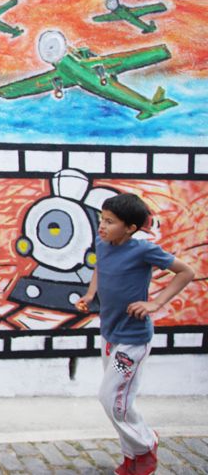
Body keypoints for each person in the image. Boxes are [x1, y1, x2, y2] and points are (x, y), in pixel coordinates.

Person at [76, 193, 194, 475]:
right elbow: (99, 270)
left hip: (132, 339)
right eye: (101, 219)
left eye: (110, 222)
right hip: (110, 334)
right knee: (121, 401)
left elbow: (185, 272)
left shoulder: (143, 249)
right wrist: (90, 295)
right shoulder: (104, 245)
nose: (102, 226)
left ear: (130, 227)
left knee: (109, 398)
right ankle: (133, 460)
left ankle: (145, 443)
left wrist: (155, 303)